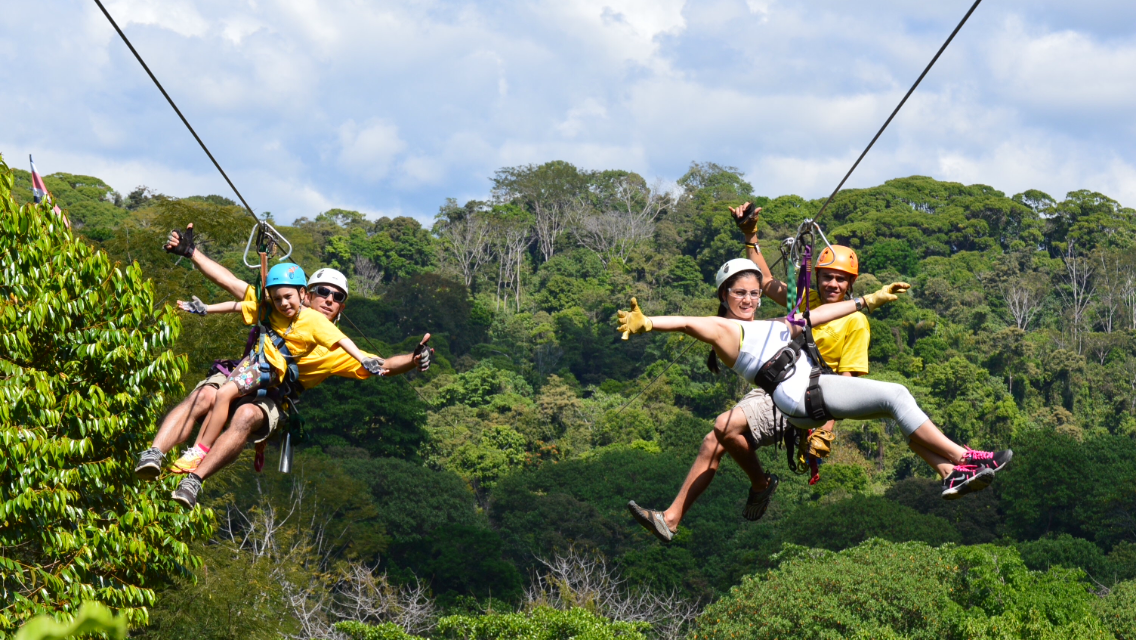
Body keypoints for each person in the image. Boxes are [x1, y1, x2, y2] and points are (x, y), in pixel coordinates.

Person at [620, 265, 1011, 541]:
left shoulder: (772, 325)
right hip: (799, 396)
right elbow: (688, 323)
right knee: (896, 394)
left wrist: (869, 300)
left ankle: (949, 471)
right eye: (739, 293)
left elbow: (818, 314)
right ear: (724, 296)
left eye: (754, 293)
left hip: (809, 391)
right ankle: (966, 457)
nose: (749, 299)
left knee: (892, 404)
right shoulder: (724, 328)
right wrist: (648, 322)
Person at [134, 224, 432, 508]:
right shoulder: (278, 304)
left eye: (337, 296)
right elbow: (231, 283)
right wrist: (192, 253)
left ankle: (193, 481)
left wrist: (414, 358)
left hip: (273, 395)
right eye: (323, 292)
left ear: (341, 306)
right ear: (305, 294)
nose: (329, 299)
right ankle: (154, 454)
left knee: (246, 415)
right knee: (206, 395)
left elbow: (384, 364)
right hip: (247, 370)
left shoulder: (336, 347)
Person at [626, 205, 874, 542]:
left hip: (806, 393)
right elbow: (766, 282)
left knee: (724, 426)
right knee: (712, 441)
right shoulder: (807, 300)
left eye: (840, 279)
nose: (833, 283)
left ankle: (760, 483)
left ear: (851, 283)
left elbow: (847, 382)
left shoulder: (855, 321)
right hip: (775, 380)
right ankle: (670, 520)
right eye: (827, 276)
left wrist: (825, 429)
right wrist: (750, 236)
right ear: (817, 277)